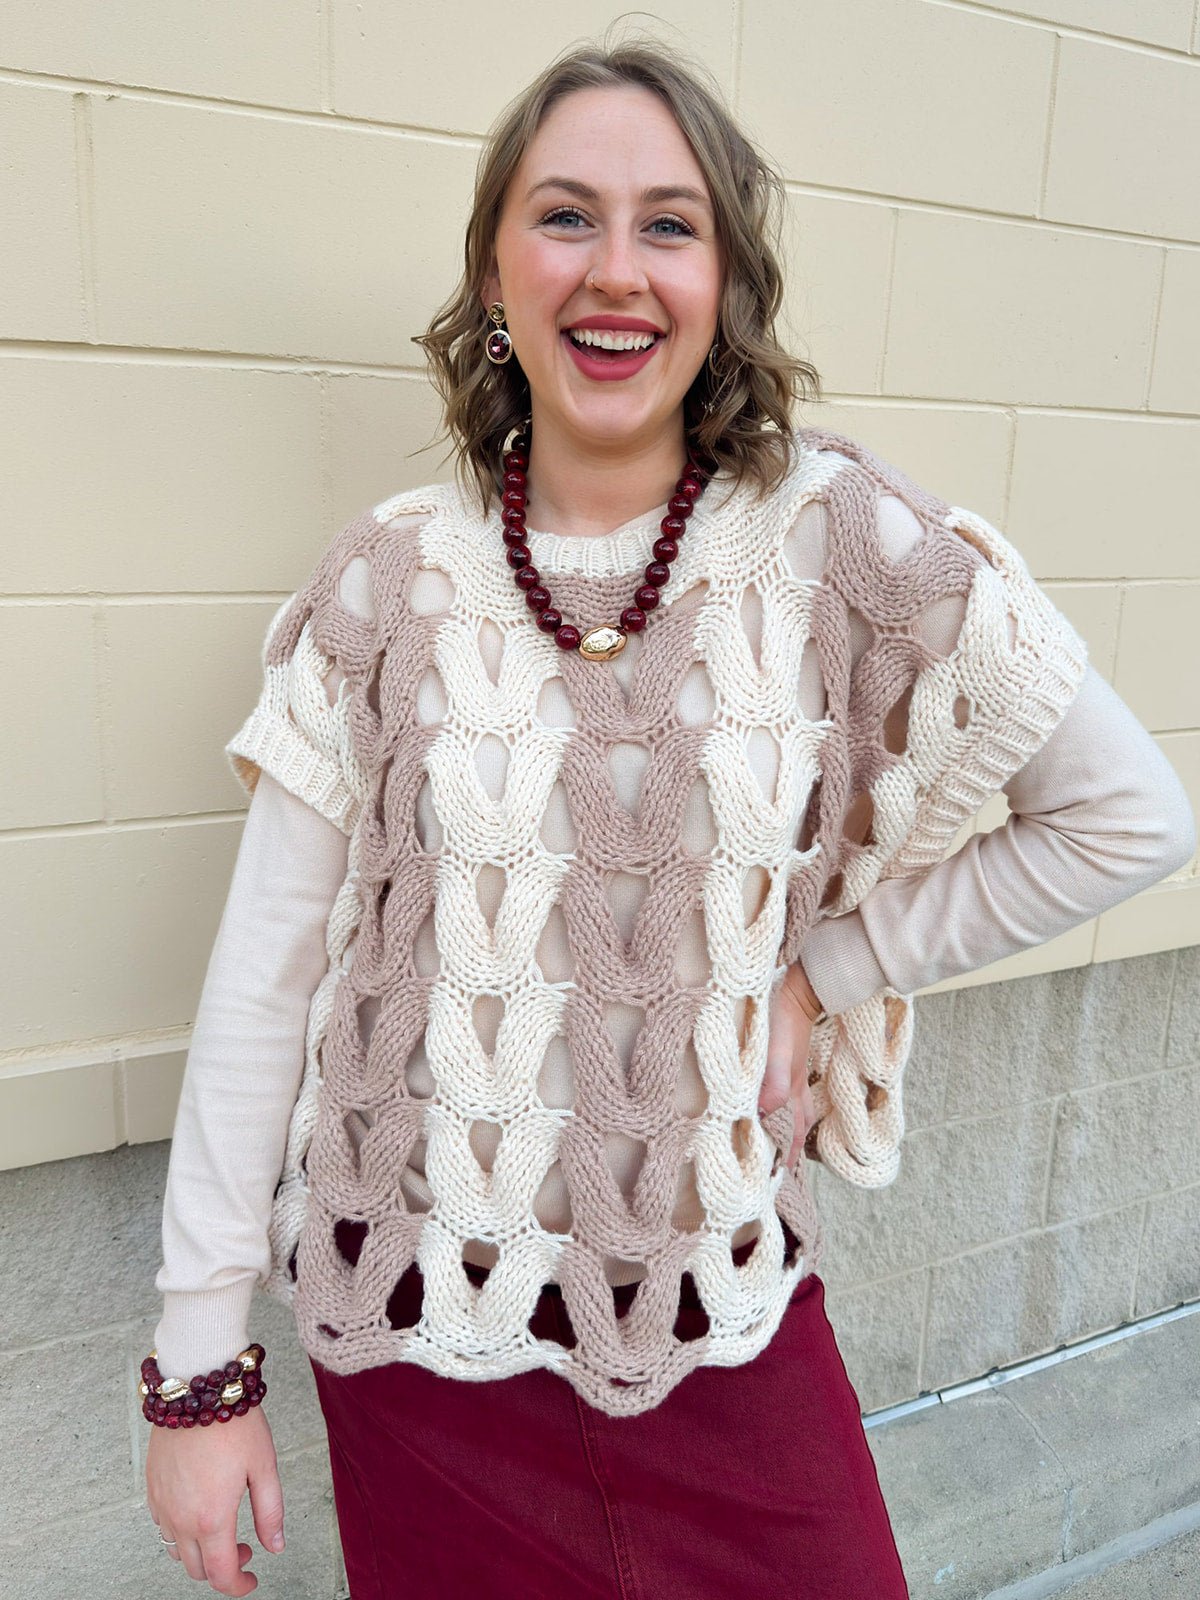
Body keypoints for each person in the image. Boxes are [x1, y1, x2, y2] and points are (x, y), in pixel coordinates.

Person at [143, 33, 1195, 1600]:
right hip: (430, 1345)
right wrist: (195, 1370)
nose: (614, 270)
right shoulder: (384, 583)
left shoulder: (840, 539)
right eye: (565, 216)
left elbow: (1124, 818)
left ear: (726, 284)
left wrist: (822, 972)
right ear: (496, 274)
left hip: (723, 1325)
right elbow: (267, 979)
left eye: (670, 224)